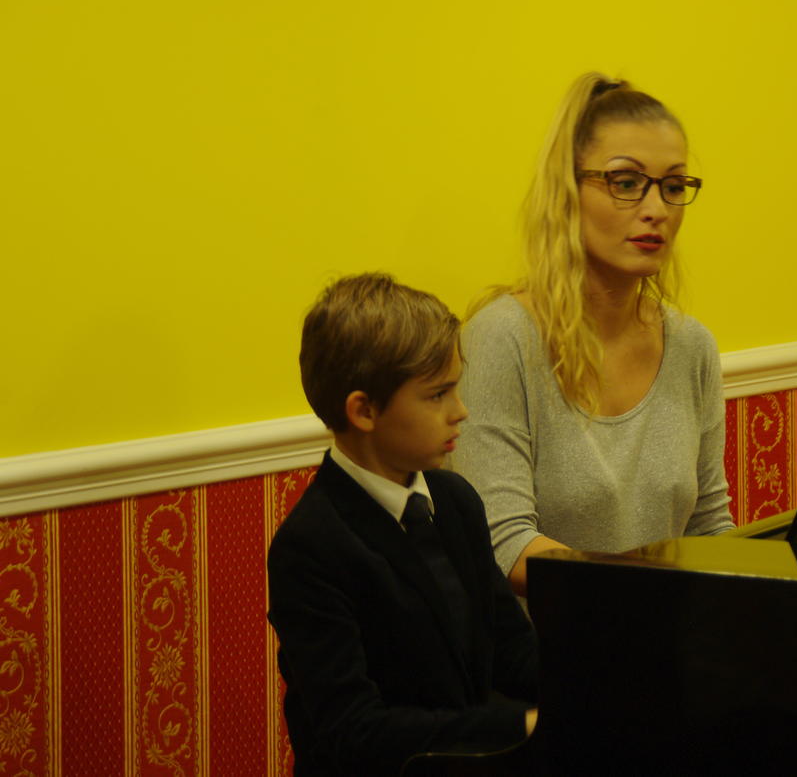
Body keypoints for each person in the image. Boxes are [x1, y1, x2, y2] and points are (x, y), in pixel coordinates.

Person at [456, 73, 734, 597]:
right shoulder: (501, 338)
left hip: (668, 635)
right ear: (566, 191)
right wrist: (645, 593)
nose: (657, 209)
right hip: (544, 644)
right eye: (626, 183)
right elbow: (504, 545)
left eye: (674, 186)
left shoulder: (692, 345)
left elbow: (709, 524)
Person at [268, 273, 538, 776]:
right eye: (438, 395)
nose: (461, 411)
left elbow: (510, 649)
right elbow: (355, 730)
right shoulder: (311, 546)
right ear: (364, 410)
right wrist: (515, 727)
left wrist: (597, 687)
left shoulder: (455, 501)